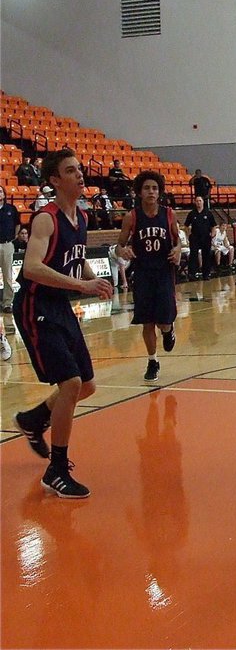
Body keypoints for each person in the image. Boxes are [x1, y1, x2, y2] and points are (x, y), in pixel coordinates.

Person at [13, 148, 114, 498]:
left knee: (86, 386)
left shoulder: (81, 218)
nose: (80, 175)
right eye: (71, 171)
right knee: (70, 383)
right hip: (35, 304)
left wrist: (94, 280)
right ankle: (56, 470)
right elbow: (31, 268)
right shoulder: (46, 218)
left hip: (59, 305)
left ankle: (33, 419)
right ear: (55, 180)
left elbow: (77, 260)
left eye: (80, 169)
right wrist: (81, 285)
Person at [116, 171, 180, 383]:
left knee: (163, 320)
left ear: (159, 191)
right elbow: (119, 245)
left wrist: (178, 250)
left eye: (154, 188)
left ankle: (169, 330)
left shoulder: (169, 214)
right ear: (139, 192)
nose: (151, 191)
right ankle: (153, 361)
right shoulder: (131, 216)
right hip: (142, 272)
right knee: (147, 322)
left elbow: (178, 241)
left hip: (164, 271)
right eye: (146, 188)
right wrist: (122, 251)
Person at [184, 195, 215, 280]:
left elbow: (213, 226)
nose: (198, 202)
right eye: (197, 201)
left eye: (200, 201)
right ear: (195, 202)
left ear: (203, 202)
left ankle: (206, 274)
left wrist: (212, 234)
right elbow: (186, 225)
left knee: (206, 256)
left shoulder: (208, 213)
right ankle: (192, 274)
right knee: (193, 256)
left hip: (206, 238)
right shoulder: (192, 213)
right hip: (195, 238)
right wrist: (188, 234)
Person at [0, 184, 21, 313]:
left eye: (1, 191)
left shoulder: (11, 209)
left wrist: (14, 237)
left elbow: (18, 224)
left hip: (7, 244)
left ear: (4, 194)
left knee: (7, 275)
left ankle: (7, 303)